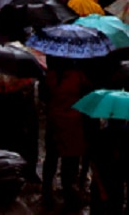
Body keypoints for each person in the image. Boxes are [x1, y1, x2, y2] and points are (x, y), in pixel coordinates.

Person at [41, 57, 91, 209]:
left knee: (51, 158)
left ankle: (47, 192)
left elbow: (44, 98)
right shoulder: (79, 76)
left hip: (54, 122)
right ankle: (68, 193)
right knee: (70, 161)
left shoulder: (49, 76)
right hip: (72, 124)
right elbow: (87, 98)